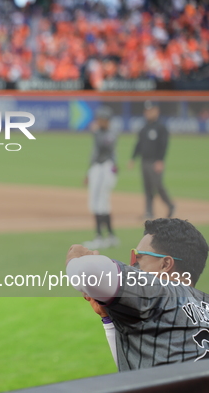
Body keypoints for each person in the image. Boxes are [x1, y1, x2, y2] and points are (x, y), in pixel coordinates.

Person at [66, 218, 209, 371]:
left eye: (137, 257)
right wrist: (108, 320)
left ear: (165, 264)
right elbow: (134, 370)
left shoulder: (158, 292)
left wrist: (76, 257)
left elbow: (88, 272)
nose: (132, 265)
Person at [129, 100, 175, 219]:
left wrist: (160, 160)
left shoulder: (160, 127)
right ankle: (149, 212)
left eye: (151, 110)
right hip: (144, 161)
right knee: (147, 188)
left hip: (155, 161)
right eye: (147, 111)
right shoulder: (144, 127)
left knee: (158, 185)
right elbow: (139, 144)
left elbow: (164, 144)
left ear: (156, 111)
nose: (148, 113)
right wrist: (133, 158)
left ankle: (170, 205)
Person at [83, 105, 120, 249]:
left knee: (99, 202)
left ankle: (100, 237)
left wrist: (96, 132)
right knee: (99, 202)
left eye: (101, 119)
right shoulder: (100, 132)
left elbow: (104, 147)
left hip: (106, 168)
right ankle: (110, 236)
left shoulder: (110, 133)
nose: (98, 121)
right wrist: (88, 173)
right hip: (98, 168)